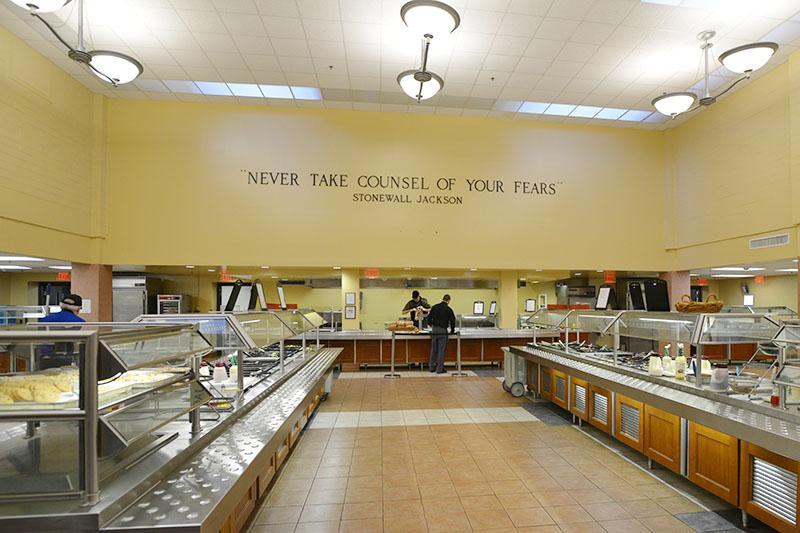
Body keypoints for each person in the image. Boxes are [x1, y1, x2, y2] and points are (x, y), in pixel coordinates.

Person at [427, 294, 456, 374]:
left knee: (433, 349)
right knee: (441, 350)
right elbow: (453, 321)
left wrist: (431, 325)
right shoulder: (448, 309)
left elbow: (428, 318)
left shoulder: (435, 307)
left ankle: (431, 367)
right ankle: (440, 369)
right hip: (443, 331)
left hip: (434, 330)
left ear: (442, 299)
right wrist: (452, 330)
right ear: (449, 300)